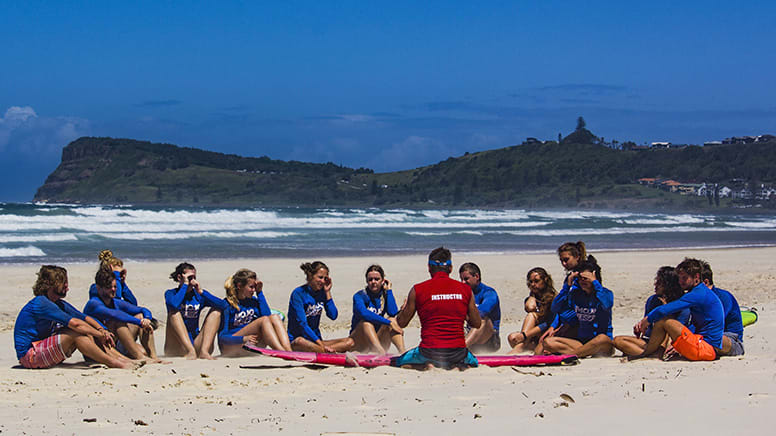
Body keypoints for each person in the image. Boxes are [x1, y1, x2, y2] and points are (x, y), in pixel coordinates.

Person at [14, 265, 134, 369]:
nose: (67, 287)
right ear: (52, 284)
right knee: (77, 332)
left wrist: (101, 330)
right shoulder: (42, 303)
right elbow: (75, 324)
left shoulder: (57, 303)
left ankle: (122, 359)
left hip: (40, 349)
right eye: (64, 283)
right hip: (29, 356)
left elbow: (84, 318)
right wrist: (99, 334)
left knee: (86, 329)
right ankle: (113, 363)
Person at [392, 247, 482, 369]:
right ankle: (455, 365)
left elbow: (401, 323)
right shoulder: (465, 290)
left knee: (399, 361)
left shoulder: (418, 289)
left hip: (428, 351)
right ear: (450, 268)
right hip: (458, 352)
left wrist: (404, 308)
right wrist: (461, 311)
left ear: (429, 268)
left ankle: (425, 366)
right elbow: (477, 323)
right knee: (474, 362)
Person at [629, 258, 725, 361]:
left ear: (696, 277)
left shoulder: (698, 294)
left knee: (664, 320)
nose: (680, 282)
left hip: (706, 349)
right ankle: (651, 353)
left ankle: (647, 354)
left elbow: (663, 310)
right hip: (705, 346)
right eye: (679, 278)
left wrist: (646, 320)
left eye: (684, 278)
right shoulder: (700, 292)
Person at [538, 259, 614, 358]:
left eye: (586, 278)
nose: (582, 281)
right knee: (548, 342)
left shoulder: (605, 293)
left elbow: (607, 304)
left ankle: (568, 355)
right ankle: (579, 353)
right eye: (580, 278)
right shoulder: (576, 295)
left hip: (601, 343)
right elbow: (555, 308)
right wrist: (566, 287)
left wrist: (595, 282)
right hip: (582, 343)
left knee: (602, 338)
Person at [84, 266, 161, 361]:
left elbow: (142, 309)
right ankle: (140, 357)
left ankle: (153, 357)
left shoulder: (116, 302)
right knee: (118, 321)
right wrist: (139, 322)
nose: (113, 289)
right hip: (97, 347)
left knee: (141, 317)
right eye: (109, 287)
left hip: (114, 343)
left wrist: (147, 319)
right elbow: (115, 314)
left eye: (115, 286)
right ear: (99, 288)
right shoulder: (94, 303)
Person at [613, 266, 689, 357]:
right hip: (649, 341)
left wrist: (665, 309)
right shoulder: (652, 300)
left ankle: (644, 354)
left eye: (659, 283)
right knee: (617, 340)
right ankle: (648, 354)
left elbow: (676, 332)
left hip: (667, 342)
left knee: (665, 323)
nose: (655, 284)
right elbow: (646, 329)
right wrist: (639, 327)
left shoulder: (681, 305)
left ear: (668, 285)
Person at [218, 268, 292, 356]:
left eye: (255, 287)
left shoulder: (253, 301)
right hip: (231, 345)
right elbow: (222, 337)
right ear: (239, 286)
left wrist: (260, 293)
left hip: (250, 343)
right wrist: (243, 339)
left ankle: (289, 350)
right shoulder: (228, 304)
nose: (253, 290)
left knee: (275, 317)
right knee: (263, 320)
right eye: (251, 287)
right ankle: (281, 351)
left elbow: (268, 316)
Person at [287, 261, 354, 353]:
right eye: (320, 277)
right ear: (310, 276)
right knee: (300, 341)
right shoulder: (298, 294)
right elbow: (303, 324)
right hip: (300, 340)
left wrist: (327, 292)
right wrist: (322, 345)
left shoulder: (322, 293)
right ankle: (326, 351)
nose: (322, 281)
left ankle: (322, 351)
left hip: (317, 341)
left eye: (325, 278)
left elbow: (333, 315)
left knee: (349, 342)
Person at [163, 262, 225, 359]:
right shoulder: (171, 293)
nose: (192, 281)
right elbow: (174, 304)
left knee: (216, 312)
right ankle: (190, 351)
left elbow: (223, 305)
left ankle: (204, 352)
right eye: (189, 278)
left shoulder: (198, 296)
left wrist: (202, 292)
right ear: (180, 278)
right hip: (176, 345)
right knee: (173, 312)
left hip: (195, 343)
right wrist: (185, 285)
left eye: (194, 278)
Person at [349, 265, 405, 354]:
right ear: (367, 281)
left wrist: (389, 291)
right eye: (370, 279)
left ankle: (402, 353)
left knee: (392, 319)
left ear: (383, 281)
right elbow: (364, 313)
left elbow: (392, 312)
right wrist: (388, 323)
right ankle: (381, 353)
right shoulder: (359, 296)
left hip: (377, 340)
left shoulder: (384, 295)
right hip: (359, 341)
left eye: (376, 279)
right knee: (366, 323)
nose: (373, 282)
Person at [507, 267, 557, 354]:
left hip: (548, 331)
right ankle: (523, 345)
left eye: (536, 281)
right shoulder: (532, 298)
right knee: (511, 337)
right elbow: (530, 307)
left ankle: (520, 347)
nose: (533, 284)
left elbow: (548, 323)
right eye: (530, 282)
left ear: (545, 280)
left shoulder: (552, 298)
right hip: (534, 335)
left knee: (531, 316)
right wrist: (532, 295)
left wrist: (524, 336)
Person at [701, 260, 745, 356]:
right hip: (706, 337)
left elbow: (713, 324)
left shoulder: (723, 297)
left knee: (713, 336)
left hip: (731, 340)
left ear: (705, 282)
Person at [459, 262, 501, 353]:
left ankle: (460, 349)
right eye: (461, 279)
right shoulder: (464, 293)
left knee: (481, 319)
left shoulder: (489, 293)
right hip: (472, 335)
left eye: (466, 279)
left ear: (476, 276)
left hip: (490, 340)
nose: (463, 282)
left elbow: (483, 311)